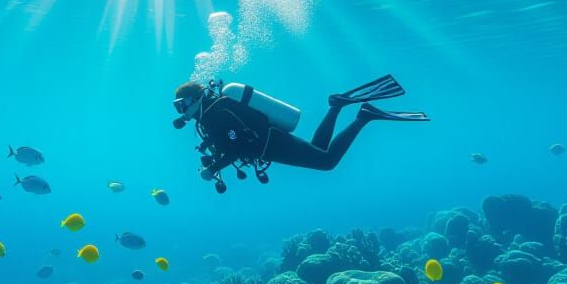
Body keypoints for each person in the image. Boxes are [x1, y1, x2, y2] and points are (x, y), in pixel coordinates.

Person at [172, 75, 428, 192]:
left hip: (271, 143)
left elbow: (236, 147)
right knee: (319, 149)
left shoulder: (216, 114)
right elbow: (231, 143)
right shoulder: (210, 115)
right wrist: (213, 161)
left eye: (182, 104)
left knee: (327, 162)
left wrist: (212, 168)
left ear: (196, 99)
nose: (181, 110)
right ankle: (336, 106)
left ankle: (364, 117)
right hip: (270, 141)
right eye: (178, 107)